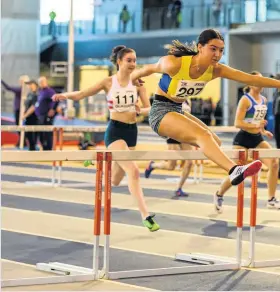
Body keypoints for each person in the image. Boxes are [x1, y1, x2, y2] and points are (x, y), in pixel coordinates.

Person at [130, 28, 280, 193]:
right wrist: (134, 80)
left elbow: (252, 79)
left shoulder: (216, 70)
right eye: (213, 49)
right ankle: (234, 170)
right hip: (160, 111)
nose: (218, 55)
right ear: (200, 47)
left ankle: (199, 153)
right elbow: (147, 69)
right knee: (204, 136)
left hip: (178, 110)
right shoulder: (173, 64)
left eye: (221, 50)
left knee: (215, 142)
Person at [52, 45, 159, 232]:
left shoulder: (139, 84)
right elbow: (82, 94)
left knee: (116, 180)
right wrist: (64, 95)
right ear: (119, 62)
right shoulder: (108, 82)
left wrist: (139, 110)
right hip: (115, 131)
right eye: (129, 60)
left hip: (131, 131)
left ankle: (97, 158)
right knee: (133, 171)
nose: (133, 64)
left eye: (135, 60)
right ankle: (145, 215)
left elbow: (148, 108)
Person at [213, 71, 280, 213]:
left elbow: (257, 121)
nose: (262, 83)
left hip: (257, 139)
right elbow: (237, 123)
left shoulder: (264, 100)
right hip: (242, 139)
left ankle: (271, 199)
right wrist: (255, 126)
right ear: (251, 83)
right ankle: (219, 193)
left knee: (275, 163)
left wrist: (263, 130)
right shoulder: (245, 100)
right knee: (238, 171)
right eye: (258, 80)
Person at [145, 99, 193, 197]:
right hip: (173, 133)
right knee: (171, 166)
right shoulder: (171, 97)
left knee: (190, 162)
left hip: (184, 133)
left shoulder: (188, 100)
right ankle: (153, 165)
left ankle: (179, 188)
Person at [36, 77, 58, 151]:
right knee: (41, 133)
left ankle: (49, 148)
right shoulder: (40, 91)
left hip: (47, 116)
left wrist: (52, 109)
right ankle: (44, 147)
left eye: (43, 82)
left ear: (46, 82)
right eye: (40, 82)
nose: (42, 83)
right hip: (40, 115)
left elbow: (55, 100)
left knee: (47, 133)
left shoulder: (50, 91)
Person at [23, 80, 39, 151]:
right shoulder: (29, 94)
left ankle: (33, 149)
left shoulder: (36, 94)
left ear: (34, 85)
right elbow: (26, 105)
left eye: (30, 84)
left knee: (33, 135)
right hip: (28, 118)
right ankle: (31, 148)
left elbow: (33, 107)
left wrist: (25, 115)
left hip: (34, 117)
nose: (29, 86)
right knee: (28, 134)